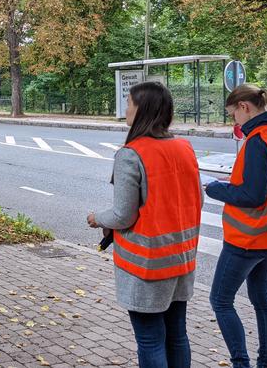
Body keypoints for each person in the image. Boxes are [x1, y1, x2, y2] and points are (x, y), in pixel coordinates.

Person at [87, 81, 202, 368]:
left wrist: (97, 218)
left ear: (143, 110)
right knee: (177, 335)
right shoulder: (184, 147)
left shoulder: (131, 153)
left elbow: (123, 215)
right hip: (181, 259)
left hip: (147, 266)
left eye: (129, 103)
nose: (126, 109)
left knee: (150, 339)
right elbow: (197, 199)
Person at [205, 84, 267, 368]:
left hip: (248, 237)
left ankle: (241, 364)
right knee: (263, 300)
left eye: (232, 114)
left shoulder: (259, 140)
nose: (233, 121)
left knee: (221, 301)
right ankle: (266, 364)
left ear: (244, 107)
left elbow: (252, 195)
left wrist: (216, 188)